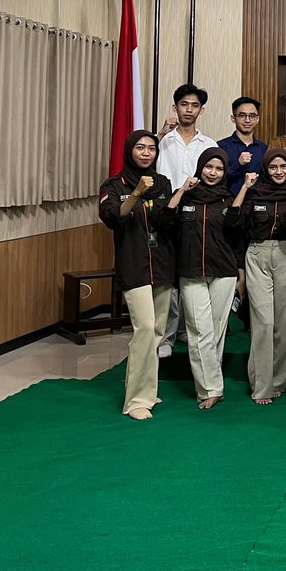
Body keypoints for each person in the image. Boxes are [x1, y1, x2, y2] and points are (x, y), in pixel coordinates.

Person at [99, 130, 176, 419]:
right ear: (129, 150)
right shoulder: (114, 185)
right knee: (143, 329)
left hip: (163, 264)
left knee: (156, 332)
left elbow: (168, 221)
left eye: (151, 149)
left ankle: (148, 391)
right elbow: (113, 218)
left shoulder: (164, 183)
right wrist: (136, 193)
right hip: (134, 265)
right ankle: (135, 401)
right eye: (140, 148)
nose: (146, 153)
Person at [167, 148, 243, 409]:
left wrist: (240, 273)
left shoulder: (228, 200)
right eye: (209, 167)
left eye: (219, 169)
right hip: (191, 273)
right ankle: (210, 388)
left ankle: (211, 383)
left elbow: (237, 237)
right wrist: (181, 191)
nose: (213, 172)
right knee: (199, 331)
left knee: (216, 331)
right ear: (200, 168)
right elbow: (166, 221)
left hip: (224, 271)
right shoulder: (187, 197)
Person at [232, 151, 286, 404]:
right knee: (263, 322)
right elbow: (235, 224)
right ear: (265, 168)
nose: (279, 171)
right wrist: (244, 187)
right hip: (257, 253)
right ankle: (261, 386)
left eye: (284, 166)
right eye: (273, 167)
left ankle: (279, 382)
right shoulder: (254, 193)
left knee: (285, 324)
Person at [156, 83, 218, 358]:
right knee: (168, 278)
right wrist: (159, 134)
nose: (189, 110)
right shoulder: (161, 141)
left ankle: (188, 331)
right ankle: (166, 337)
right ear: (175, 107)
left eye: (194, 105)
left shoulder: (209, 144)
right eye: (184, 104)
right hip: (167, 213)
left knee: (192, 275)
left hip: (196, 214)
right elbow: (145, 164)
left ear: (201, 110)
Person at [218, 96, 267, 194]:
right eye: (242, 115)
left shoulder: (263, 148)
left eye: (252, 116)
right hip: (228, 202)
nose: (247, 120)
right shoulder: (221, 146)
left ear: (257, 119)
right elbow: (216, 179)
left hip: (257, 203)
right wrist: (238, 164)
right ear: (233, 118)